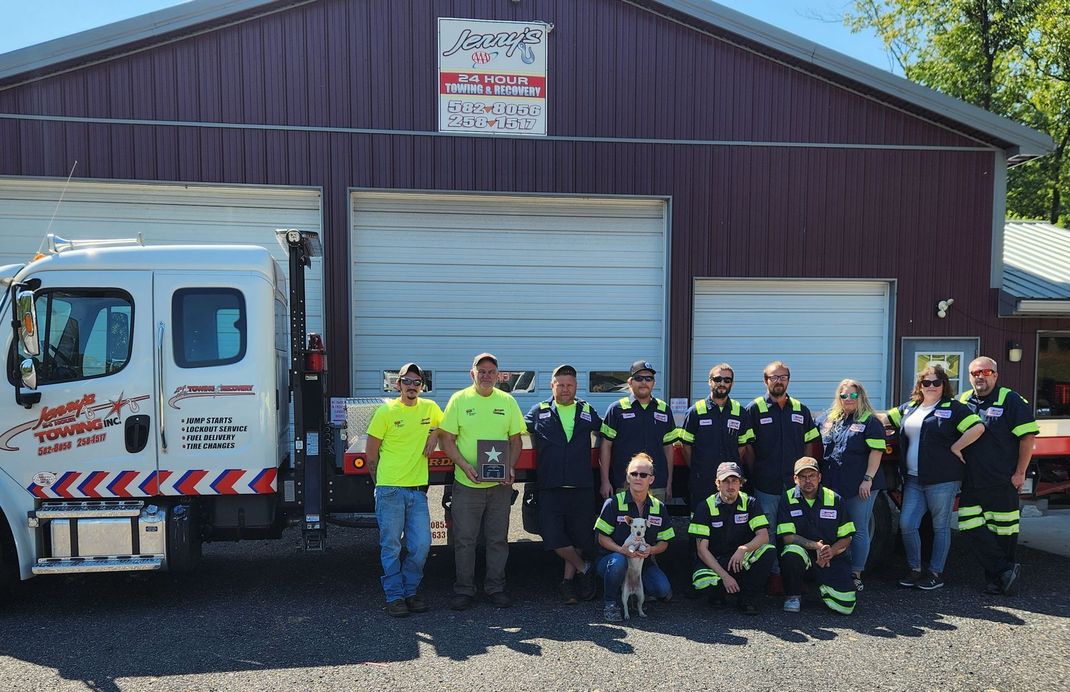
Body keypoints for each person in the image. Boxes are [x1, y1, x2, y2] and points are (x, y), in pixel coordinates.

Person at [439, 353, 526, 610]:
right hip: (466, 485)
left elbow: (516, 440)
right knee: (464, 540)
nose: (486, 375)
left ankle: (495, 587)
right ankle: (464, 589)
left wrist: (510, 466)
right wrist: (464, 466)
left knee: (497, 539)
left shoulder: (507, 402)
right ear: (472, 374)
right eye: (481, 371)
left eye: (491, 371)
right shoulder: (459, 400)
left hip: (498, 487)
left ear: (498, 376)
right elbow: (447, 439)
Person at [886, 364, 984, 591]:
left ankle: (935, 573)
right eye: (926, 382)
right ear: (920, 385)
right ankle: (915, 568)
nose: (931, 386)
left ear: (943, 385)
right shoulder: (911, 407)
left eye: (936, 382)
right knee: (907, 524)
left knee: (940, 527)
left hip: (942, 479)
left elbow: (977, 428)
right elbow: (885, 418)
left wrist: (957, 447)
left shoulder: (953, 408)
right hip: (913, 479)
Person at [366, 363, 443, 618]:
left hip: (418, 491)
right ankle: (395, 596)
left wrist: (434, 434)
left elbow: (446, 426)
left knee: (421, 545)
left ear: (422, 386)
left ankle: (410, 591)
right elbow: (371, 455)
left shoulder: (430, 409)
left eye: (416, 382)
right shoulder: (386, 411)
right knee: (391, 546)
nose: (412, 386)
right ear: (397, 384)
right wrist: (382, 484)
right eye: (406, 381)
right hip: (390, 490)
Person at [957, 356, 1039, 595]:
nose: (980, 376)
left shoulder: (1011, 400)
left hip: (1002, 479)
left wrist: (1020, 473)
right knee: (969, 524)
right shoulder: (962, 400)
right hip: (972, 479)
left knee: (1004, 530)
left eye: (985, 372)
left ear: (995, 374)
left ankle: (997, 581)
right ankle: (1004, 570)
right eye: (974, 373)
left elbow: (1028, 438)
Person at [525, 364, 603, 605]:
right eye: (561, 385)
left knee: (579, 539)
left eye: (570, 385)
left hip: (581, 486)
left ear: (576, 386)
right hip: (550, 486)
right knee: (553, 538)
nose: (565, 389)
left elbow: (608, 433)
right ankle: (584, 568)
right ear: (552, 386)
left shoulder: (587, 410)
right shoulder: (540, 411)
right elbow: (515, 432)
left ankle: (568, 583)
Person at [740, 361, 821, 582]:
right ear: (766, 380)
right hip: (767, 482)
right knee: (769, 530)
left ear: (788, 380)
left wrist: (804, 472)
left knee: (796, 529)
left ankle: (796, 573)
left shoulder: (800, 409)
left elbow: (809, 444)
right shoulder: (754, 408)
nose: (779, 381)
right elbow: (747, 447)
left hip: (795, 485)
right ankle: (773, 575)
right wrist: (757, 471)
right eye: (774, 377)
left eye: (783, 377)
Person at [818, 379, 888, 591]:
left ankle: (856, 573)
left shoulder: (870, 421)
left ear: (861, 397)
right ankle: (834, 568)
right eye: (844, 396)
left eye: (853, 396)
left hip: (860, 486)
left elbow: (877, 452)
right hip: (834, 484)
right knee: (835, 529)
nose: (848, 399)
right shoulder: (831, 419)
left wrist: (867, 480)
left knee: (858, 530)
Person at [593, 453, 676, 622]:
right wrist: (620, 550)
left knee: (662, 589)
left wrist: (652, 550)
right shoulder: (613, 503)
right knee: (618, 563)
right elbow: (602, 538)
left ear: (651, 480)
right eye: (634, 474)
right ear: (628, 477)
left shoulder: (658, 507)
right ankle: (611, 602)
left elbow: (664, 542)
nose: (638, 478)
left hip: (641, 564)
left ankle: (631, 592)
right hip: (612, 559)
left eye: (643, 475)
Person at [688, 462, 774, 615]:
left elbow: (764, 537)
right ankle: (717, 596)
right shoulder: (705, 506)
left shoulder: (750, 503)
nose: (731, 485)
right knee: (702, 580)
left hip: (739, 558)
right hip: (714, 560)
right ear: (717, 483)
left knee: (768, 551)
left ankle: (747, 599)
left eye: (735, 480)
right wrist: (725, 576)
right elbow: (702, 550)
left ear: (741, 483)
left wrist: (743, 549)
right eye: (726, 481)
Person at [777, 457, 857, 614]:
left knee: (846, 607)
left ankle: (824, 588)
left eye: (812, 476)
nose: (808, 481)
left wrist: (830, 552)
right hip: (804, 556)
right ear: (795, 479)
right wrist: (817, 546)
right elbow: (787, 537)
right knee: (791, 552)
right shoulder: (787, 498)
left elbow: (847, 537)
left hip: (831, 558)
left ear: (819, 477)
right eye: (803, 477)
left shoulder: (835, 499)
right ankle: (793, 595)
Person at [599, 360, 679, 502]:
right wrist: (605, 481)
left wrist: (669, 483)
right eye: (639, 378)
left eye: (648, 378)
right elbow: (606, 446)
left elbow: (668, 449)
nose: (644, 382)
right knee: (625, 523)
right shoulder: (616, 409)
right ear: (630, 382)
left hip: (657, 484)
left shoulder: (664, 410)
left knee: (654, 524)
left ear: (653, 383)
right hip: (625, 483)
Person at [679, 363, 750, 508]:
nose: (722, 383)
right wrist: (698, 468)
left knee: (729, 521)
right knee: (699, 521)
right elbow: (686, 446)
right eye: (718, 379)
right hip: (702, 479)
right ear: (709, 381)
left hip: (731, 481)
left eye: (727, 380)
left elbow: (743, 446)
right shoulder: (695, 411)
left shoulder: (740, 412)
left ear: (732, 383)